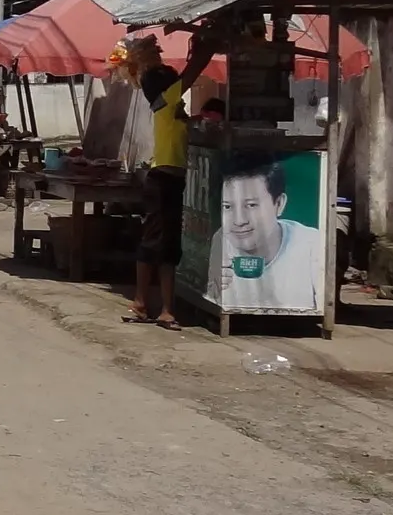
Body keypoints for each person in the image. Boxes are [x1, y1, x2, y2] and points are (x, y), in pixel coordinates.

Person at [125, 34, 210, 330]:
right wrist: (205, 48)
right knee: (154, 244)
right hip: (161, 181)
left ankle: (164, 310)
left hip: (170, 182)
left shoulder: (172, 112)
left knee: (168, 249)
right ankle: (141, 303)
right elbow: (191, 73)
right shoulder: (163, 103)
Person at [215, 153, 325, 312]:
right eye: (227, 207)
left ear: (279, 204)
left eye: (251, 205)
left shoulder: (311, 244)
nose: (239, 221)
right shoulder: (220, 241)